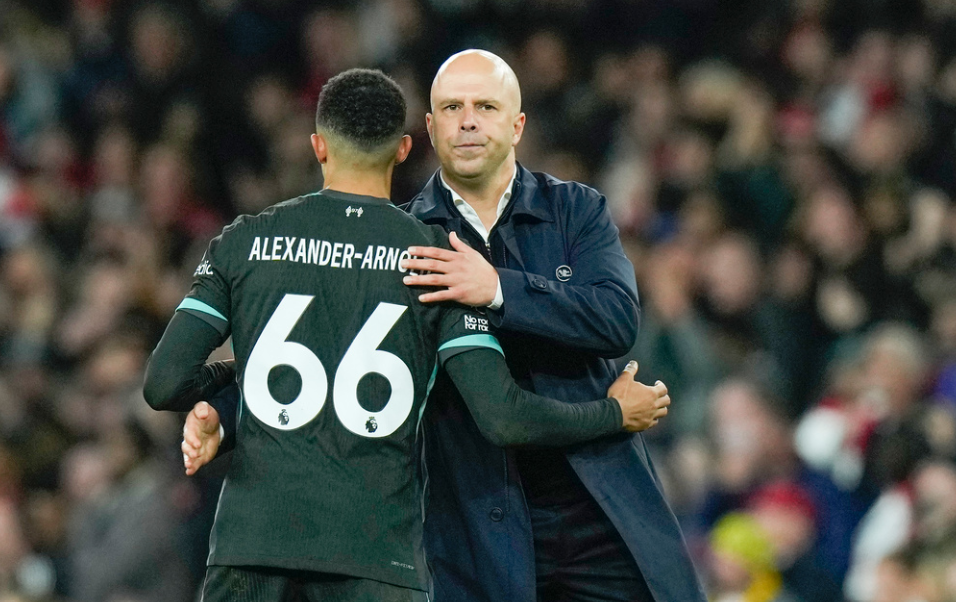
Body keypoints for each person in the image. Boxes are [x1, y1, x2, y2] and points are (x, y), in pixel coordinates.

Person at [145, 68, 671, 602]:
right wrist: (612, 414)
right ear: (404, 148)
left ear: (318, 146)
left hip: (248, 549)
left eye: (485, 108)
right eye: (453, 109)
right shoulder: (429, 260)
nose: (468, 122)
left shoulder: (245, 240)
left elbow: (164, 383)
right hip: (376, 559)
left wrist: (236, 383)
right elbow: (504, 414)